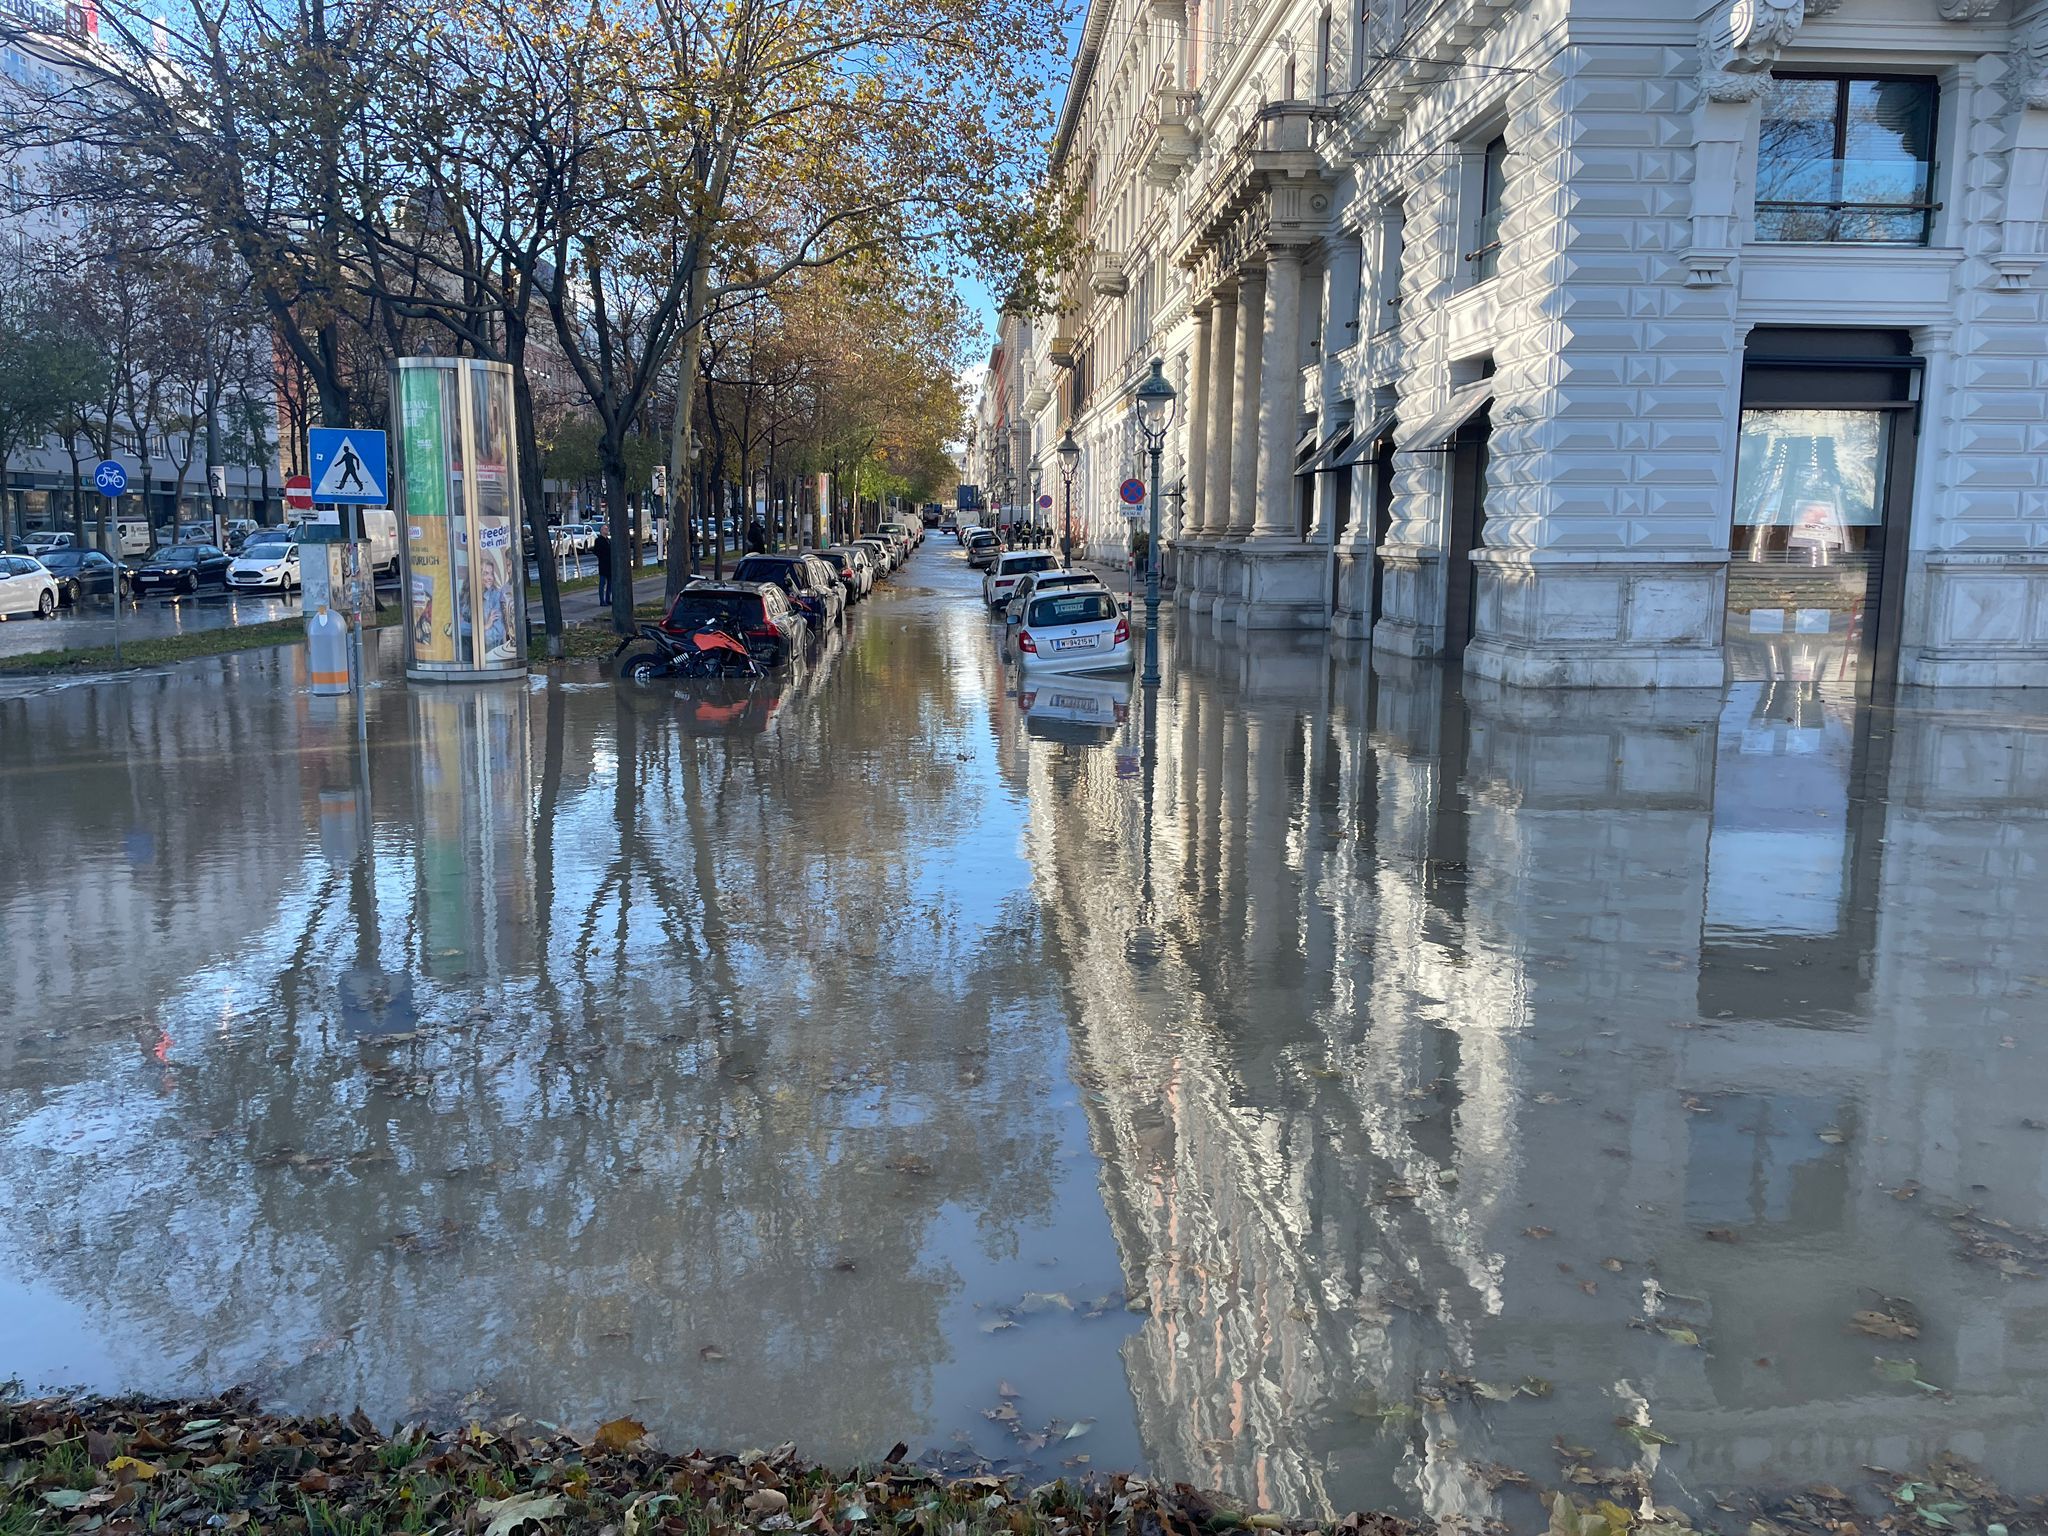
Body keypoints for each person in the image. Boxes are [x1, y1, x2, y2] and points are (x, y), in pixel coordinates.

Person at [594, 526, 613, 606]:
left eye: (607, 529)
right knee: (602, 583)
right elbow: (596, 551)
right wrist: (602, 557)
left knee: (610, 583)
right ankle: (602, 601)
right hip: (603, 564)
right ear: (601, 531)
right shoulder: (598, 540)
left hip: (610, 565)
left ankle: (608, 599)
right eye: (605, 529)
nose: (607, 530)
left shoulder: (608, 540)